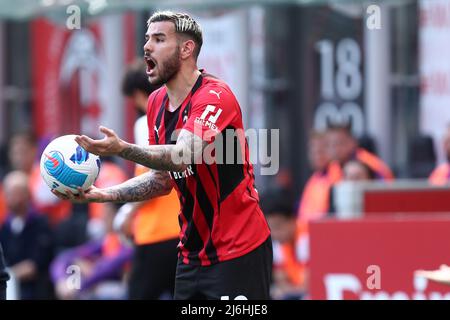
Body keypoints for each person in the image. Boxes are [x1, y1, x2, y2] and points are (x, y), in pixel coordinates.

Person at [53, 11, 272, 300]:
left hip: (238, 251)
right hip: (191, 257)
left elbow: (182, 155)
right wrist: (104, 195)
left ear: (186, 49)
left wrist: (123, 149)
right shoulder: (156, 102)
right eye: (146, 39)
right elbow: (161, 181)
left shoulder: (215, 96)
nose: (146, 47)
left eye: (159, 39)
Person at [115, 59, 180, 299]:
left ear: (139, 94)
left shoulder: (147, 122)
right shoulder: (185, 116)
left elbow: (153, 179)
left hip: (155, 233)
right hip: (187, 231)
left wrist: (126, 214)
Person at [0, 171, 53, 299]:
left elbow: (35, 265)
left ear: (27, 194)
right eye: (8, 193)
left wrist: (10, 274)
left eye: (15, 193)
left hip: (36, 289)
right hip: (9, 286)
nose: (10, 198)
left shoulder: (40, 223)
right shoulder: (5, 226)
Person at [262, 190, 309, 300]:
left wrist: (286, 290)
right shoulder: (278, 243)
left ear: (292, 219)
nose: (274, 234)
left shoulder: (306, 237)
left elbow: (308, 286)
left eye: (278, 226)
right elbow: (280, 280)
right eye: (270, 228)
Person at [297, 131, 341, 222]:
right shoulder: (314, 178)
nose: (317, 156)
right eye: (313, 152)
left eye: (321, 151)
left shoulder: (338, 175)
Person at [325, 124, 394, 181]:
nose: (334, 149)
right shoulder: (333, 166)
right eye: (330, 144)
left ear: (353, 142)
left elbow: (385, 190)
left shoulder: (369, 163)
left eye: (339, 143)